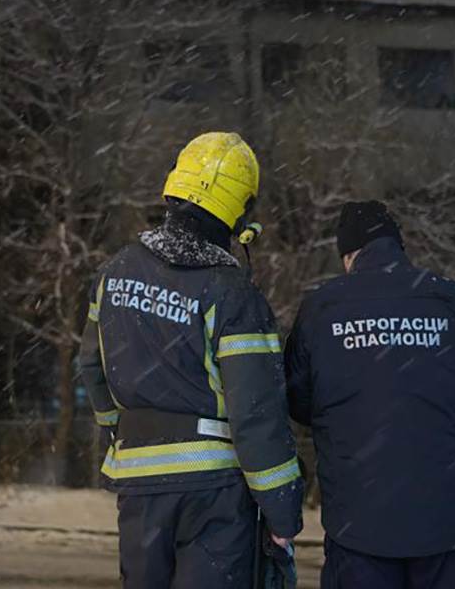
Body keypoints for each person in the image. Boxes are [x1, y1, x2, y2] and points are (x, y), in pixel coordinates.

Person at [78, 131, 304, 588]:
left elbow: (90, 367)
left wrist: (122, 431)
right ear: (240, 213)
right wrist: (283, 511)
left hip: (139, 488)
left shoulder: (116, 271)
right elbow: (256, 415)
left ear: (174, 188)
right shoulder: (232, 293)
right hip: (213, 496)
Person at [284, 200, 455, 589]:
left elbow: (297, 401)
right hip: (444, 522)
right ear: (396, 246)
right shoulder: (452, 300)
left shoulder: (322, 308)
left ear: (349, 254)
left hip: (358, 522)